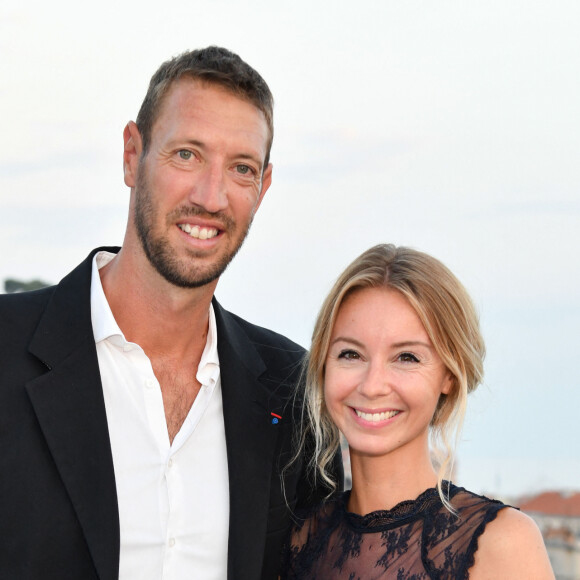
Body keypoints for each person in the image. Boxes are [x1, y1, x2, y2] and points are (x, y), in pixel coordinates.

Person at [0, 46, 340, 580]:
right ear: (133, 155)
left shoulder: (294, 393)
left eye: (241, 168)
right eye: (187, 154)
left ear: (264, 187)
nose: (211, 196)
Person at [283, 244, 554, 579]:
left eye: (406, 357)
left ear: (450, 376)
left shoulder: (499, 544)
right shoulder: (299, 543)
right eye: (351, 354)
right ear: (324, 365)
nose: (372, 385)